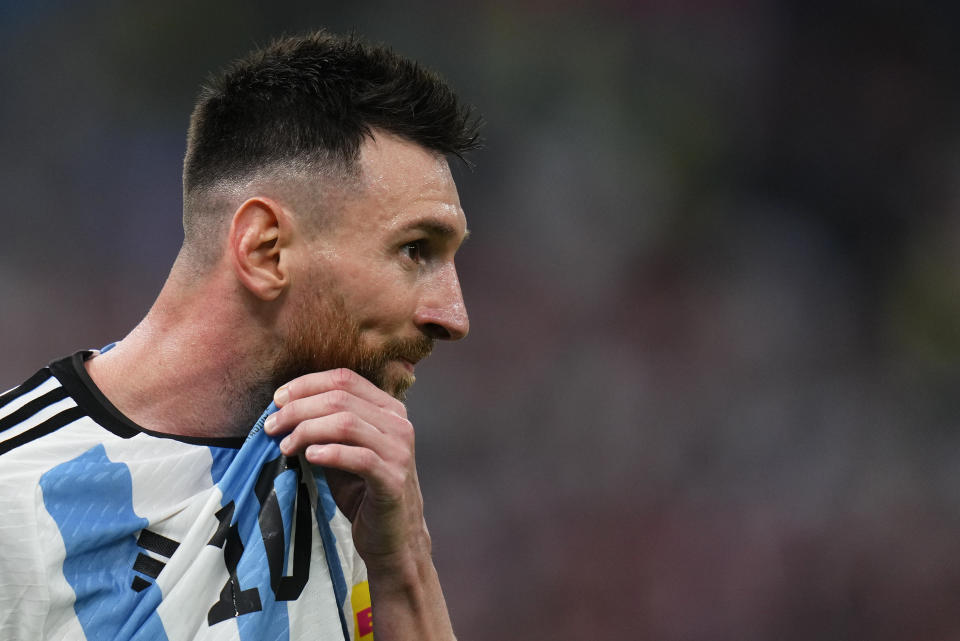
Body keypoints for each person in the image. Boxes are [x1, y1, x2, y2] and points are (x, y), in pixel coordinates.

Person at [0, 30, 480, 641]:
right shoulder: (16, 505)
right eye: (415, 250)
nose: (454, 315)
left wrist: (404, 564)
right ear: (266, 250)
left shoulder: (354, 474)